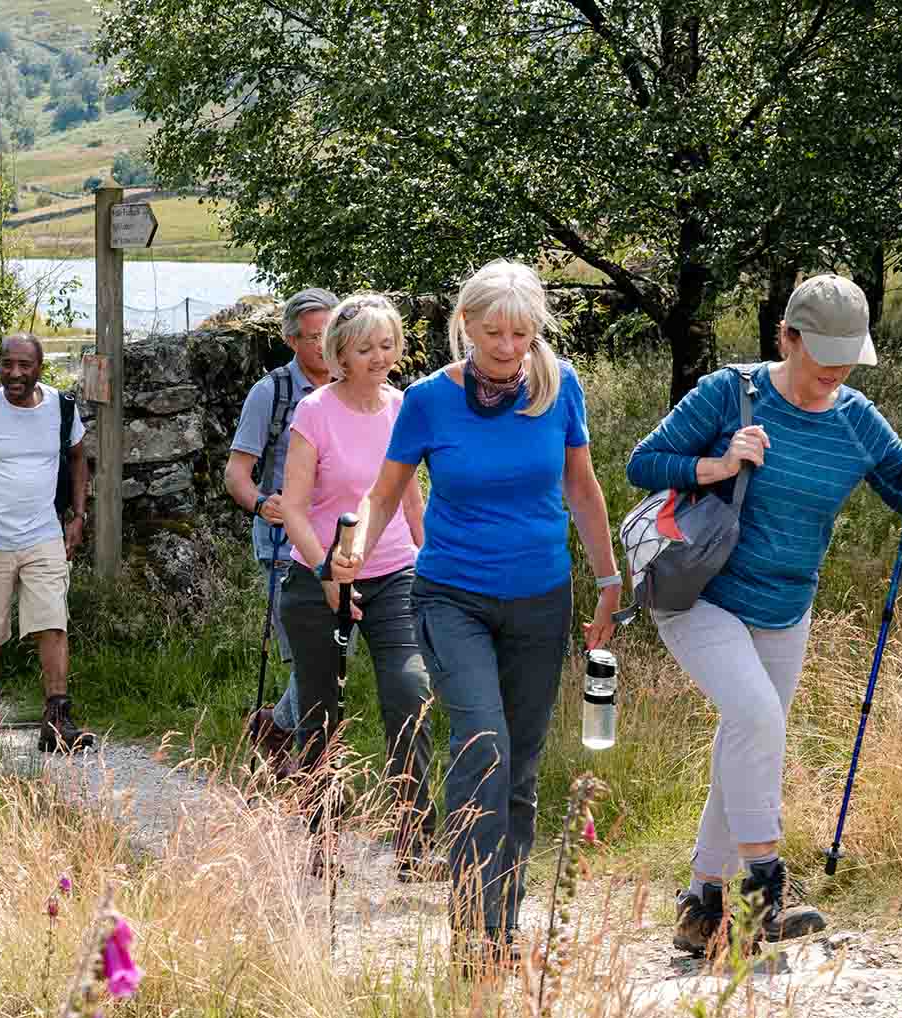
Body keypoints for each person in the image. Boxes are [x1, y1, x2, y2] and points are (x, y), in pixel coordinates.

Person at [627, 273, 902, 956]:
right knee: (757, 721)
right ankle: (766, 895)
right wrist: (718, 464)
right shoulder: (730, 391)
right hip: (701, 591)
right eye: (821, 358)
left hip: (786, 605)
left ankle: (700, 908)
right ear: (787, 338)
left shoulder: (855, 417)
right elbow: (643, 463)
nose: (832, 373)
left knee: (747, 737)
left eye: (845, 360)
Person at [339, 260, 621, 967]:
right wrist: (350, 554)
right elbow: (384, 493)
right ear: (463, 325)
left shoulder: (560, 388)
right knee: (482, 746)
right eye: (493, 332)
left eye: (521, 334)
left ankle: (502, 924)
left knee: (520, 770)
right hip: (450, 596)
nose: (506, 347)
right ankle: (471, 931)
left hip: (540, 599)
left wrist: (609, 579)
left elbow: (583, 491)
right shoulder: (430, 401)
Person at [276, 292, 434, 879]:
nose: (379, 356)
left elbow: (409, 494)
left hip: (394, 573)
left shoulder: (403, 408)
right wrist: (327, 573)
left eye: (388, 344)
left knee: (409, 690)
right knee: (321, 711)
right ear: (338, 353)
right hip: (317, 575)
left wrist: (428, 556)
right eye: (365, 347)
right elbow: (292, 508)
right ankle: (324, 843)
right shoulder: (314, 412)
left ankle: (416, 842)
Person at [0, 332, 94, 753]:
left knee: (52, 622)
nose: (14, 373)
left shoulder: (61, 410)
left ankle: (57, 718)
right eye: (7, 364)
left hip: (44, 534)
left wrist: (78, 516)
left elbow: (80, 457)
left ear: (39, 369)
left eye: (24, 365)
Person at [225, 288, 339, 766]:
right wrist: (262, 504)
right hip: (282, 545)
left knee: (332, 655)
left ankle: (276, 727)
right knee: (312, 657)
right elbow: (236, 473)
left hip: (343, 542)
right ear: (292, 341)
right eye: (314, 337)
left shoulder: (357, 388)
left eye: (331, 334)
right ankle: (305, 759)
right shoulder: (271, 392)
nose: (324, 345)